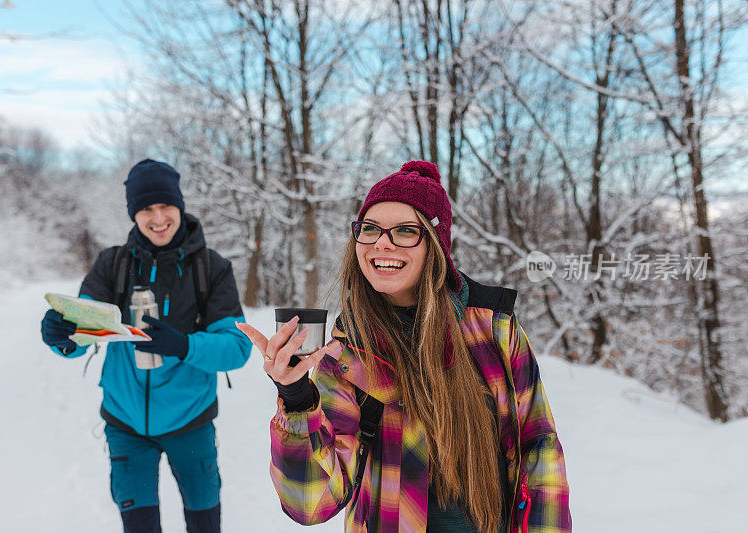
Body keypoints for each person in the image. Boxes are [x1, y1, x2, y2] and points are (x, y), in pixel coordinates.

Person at [236, 161, 571, 533]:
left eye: (405, 231)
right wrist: (297, 398)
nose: (382, 242)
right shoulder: (348, 355)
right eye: (371, 229)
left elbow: (540, 450)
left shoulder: (494, 329)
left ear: (435, 245)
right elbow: (312, 502)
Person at [40, 159, 251, 533]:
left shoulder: (210, 269)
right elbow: (82, 332)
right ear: (133, 214)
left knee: (205, 525)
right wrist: (62, 335)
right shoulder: (113, 265)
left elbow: (236, 348)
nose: (158, 219)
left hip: (191, 422)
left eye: (165, 206)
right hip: (125, 423)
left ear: (180, 206)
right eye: (146, 209)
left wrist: (184, 345)